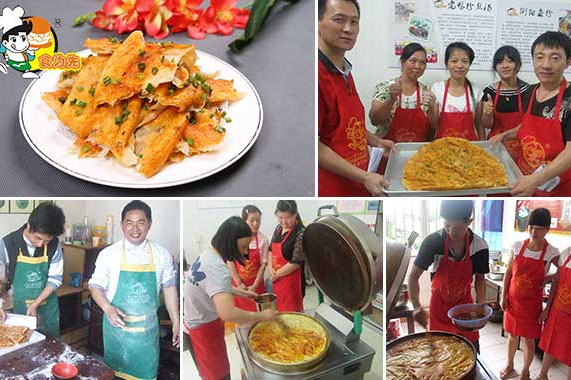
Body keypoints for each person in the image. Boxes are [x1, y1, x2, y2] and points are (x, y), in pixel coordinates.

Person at [89, 201, 180, 380]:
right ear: (122, 225)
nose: (135, 229)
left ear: (149, 224)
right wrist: (108, 308)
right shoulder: (109, 254)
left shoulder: (161, 254)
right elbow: (95, 287)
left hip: (146, 337)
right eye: (129, 222)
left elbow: (169, 287)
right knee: (114, 375)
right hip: (117, 333)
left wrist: (176, 319)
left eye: (141, 222)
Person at [318, 0, 395, 196]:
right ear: (317, 22)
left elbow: (345, 125)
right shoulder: (315, 74)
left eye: (354, 22)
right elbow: (313, 145)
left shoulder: (345, 69)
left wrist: (375, 141)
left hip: (359, 180)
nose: (348, 29)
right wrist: (364, 177)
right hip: (333, 186)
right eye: (339, 20)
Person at [185, 216, 276, 380]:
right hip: (203, 329)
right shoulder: (218, 267)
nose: (245, 252)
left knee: (210, 373)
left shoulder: (208, 253)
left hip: (195, 322)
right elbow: (227, 314)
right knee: (218, 376)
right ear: (230, 242)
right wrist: (261, 315)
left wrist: (240, 292)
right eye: (243, 246)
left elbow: (210, 284)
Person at [491, 32, 571, 196]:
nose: (546, 65)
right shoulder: (530, 92)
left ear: (568, 62)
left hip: (556, 186)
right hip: (524, 176)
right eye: (539, 57)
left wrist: (536, 180)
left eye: (555, 58)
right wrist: (506, 135)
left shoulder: (568, 100)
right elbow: (527, 125)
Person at [408, 200, 489, 351]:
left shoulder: (480, 246)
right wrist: (417, 306)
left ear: (469, 222)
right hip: (439, 309)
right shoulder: (433, 242)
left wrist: (481, 303)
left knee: (470, 351)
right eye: (446, 225)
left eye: (457, 227)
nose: (451, 232)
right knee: (440, 355)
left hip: (464, 309)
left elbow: (480, 278)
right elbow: (413, 276)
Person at [500, 208, 559, 380]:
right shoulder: (517, 246)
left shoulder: (552, 252)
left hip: (532, 306)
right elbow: (508, 273)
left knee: (528, 340)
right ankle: (509, 365)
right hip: (512, 301)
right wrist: (503, 296)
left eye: (539, 228)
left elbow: (564, 272)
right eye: (531, 227)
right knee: (512, 336)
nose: (534, 232)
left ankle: (525, 372)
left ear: (547, 229)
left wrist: (551, 276)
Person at [0, 202, 65, 337]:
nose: (41, 244)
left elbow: (55, 279)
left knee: (50, 349)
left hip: (48, 309)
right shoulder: (7, 244)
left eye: (46, 241)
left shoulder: (54, 245)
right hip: (21, 309)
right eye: (38, 238)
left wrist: (35, 304)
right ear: (29, 226)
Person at [370, 42, 438, 142]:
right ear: (403, 62)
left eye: (422, 62)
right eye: (413, 61)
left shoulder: (427, 92)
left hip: (417, 153)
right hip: (388, 152)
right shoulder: (385, 87)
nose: (417, 66)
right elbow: (375, 120)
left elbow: (434, 126)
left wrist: (432, 108)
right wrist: (391, 99)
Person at [477, 46, 531, 161]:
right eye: (500, 62)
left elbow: (530, 124)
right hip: (497, 146)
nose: (505, 66)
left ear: (517, 64)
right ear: (495, 67)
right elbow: (487, 125)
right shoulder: (489, 91)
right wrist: (487, 113)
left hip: (523, 147)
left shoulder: (529, 91)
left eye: (509, 61)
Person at [432, 42, 483, 140]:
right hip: (442, 149)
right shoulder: (437, 89)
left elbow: (479, 124)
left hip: (469, 149)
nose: (459, 66)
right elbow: (433, 124)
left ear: (469, 64)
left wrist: (484, 146)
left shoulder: (476, 91)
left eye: (465, 61)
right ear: (446, 63)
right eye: (454, 61)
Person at [536, 246, 571, 380]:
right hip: (557, 311)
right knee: (549, 345)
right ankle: (542, 376)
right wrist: (547, 309)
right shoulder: (567, 252)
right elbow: (557, 281)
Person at [227, 205, 269, 311]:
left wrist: (255, 285)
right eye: (252, 221)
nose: (256, 224)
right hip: (238, 284)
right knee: (241, 314)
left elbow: (263, 264)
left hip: (257, 284)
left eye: (258, 221)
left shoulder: (263, 239)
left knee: (258, 315)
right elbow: (230, 261)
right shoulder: (235, 238)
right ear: (244, 221)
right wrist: (239, 283)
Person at [268, 200, 305, 312]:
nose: (283, 221)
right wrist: (270, 269)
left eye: (288, 218)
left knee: (292, 314)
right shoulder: (278, 228)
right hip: (277, 279)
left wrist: (276, 274)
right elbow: (270, 250)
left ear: (295, 214)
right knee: (280, 309)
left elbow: (296, 262)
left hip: (292, 282)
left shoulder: (301, 233)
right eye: (280, 217)